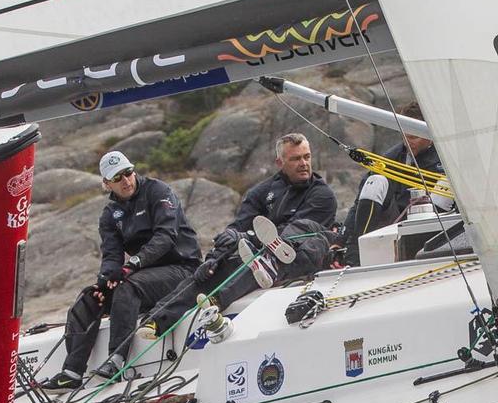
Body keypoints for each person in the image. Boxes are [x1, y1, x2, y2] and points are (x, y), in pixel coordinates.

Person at [41, 151, 201, 393]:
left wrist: (132, 264)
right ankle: (71, 372)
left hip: (182, 269)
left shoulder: (158, 191)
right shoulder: (109, 215)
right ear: (107, 184)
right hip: (144, 276)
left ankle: (116, 361)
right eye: (117, 178)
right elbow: (112, 256)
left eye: (128, 173)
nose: (126, 181)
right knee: (89, 297)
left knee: (128, 286)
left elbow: (165, 237)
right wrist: (104, 282)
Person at [149, 132, 338, 333]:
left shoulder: (323, 195)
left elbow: (293, 232)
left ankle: (218, 299)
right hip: (254, 255)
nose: (303, 163)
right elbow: (238, 226)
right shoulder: (261, 192)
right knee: (210, 271)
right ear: (280, 162)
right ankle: (155, 321)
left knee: (269, 253)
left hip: (297, 257)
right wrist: (214, 258)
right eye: (295, 159)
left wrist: (246, 237)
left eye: (306, 157)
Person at [342, 102, 453, 266]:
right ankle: (357, 256)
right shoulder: (391, 158)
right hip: (393, 221)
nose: (408, 142)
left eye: (414, 137)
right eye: (404, 136)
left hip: (431, 224)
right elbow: (360, 202)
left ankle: (430, 252)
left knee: (448, 184)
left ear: (429, 133)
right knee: (374, 182)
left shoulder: (447, 158)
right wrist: (342, 238)